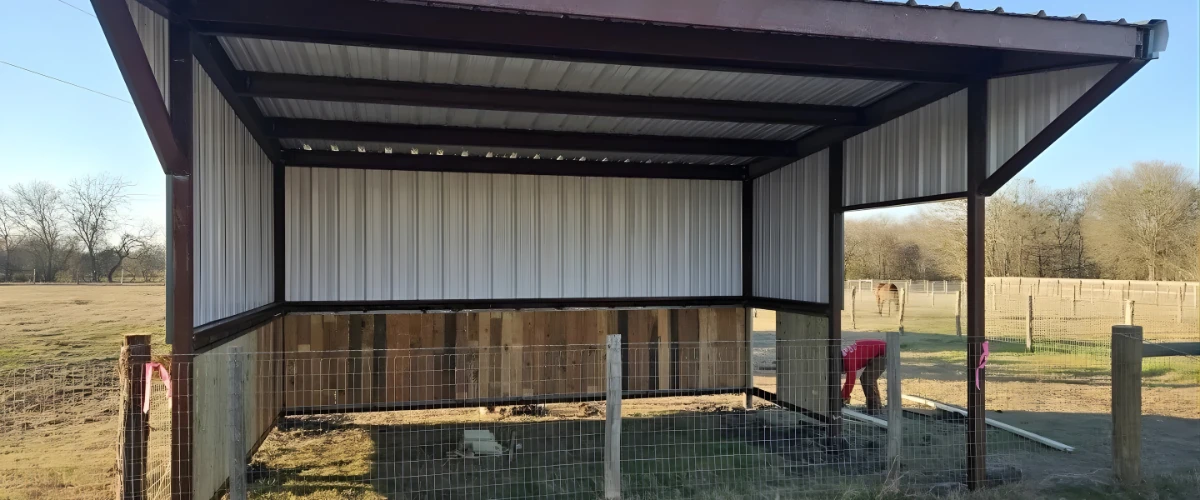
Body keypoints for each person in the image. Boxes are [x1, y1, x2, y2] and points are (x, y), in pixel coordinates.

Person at [840, 339, 888, 413]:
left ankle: (874, 409)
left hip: (884, 352)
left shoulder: (848, 361)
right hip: (879, 351)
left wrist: (843, 397)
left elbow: (850, 382)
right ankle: (876, 406)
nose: (843, 373)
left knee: (867, 379)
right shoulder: (843, 355)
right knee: (867, 378)